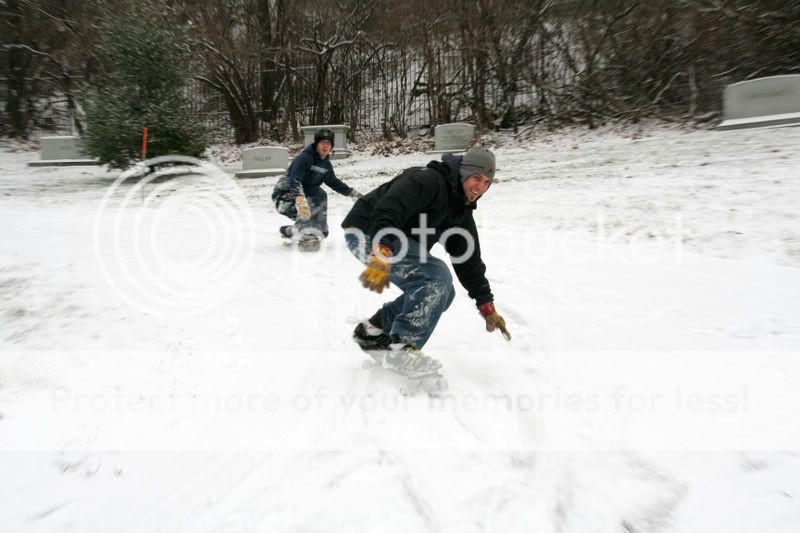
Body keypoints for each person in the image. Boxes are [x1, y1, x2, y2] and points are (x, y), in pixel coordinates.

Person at [341, 146, 511, 374]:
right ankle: (401, 350)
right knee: (436, 277)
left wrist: (486, 305)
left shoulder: (460, 212)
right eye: (476, 178)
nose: (480, 188)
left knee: (443, 292)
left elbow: (468, 260)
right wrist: (381, 250)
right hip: (369, 231)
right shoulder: (429, 181)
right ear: (464, 173)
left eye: (487, 183)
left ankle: (374, 330)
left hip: (390, 238)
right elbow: (388, 209)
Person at [272, 128, 362, 250]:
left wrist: (353, 193)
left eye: (328, 143)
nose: (325, 146)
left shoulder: (325, 165)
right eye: (322, 142)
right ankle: (306, 235)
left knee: (319, 194)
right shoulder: (305, 158)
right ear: (316, 144)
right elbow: (294, 180)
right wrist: (300, 200)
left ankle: (295, 231)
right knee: (311, 208)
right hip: (284, 198)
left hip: (302, 198)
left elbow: (334, 182)